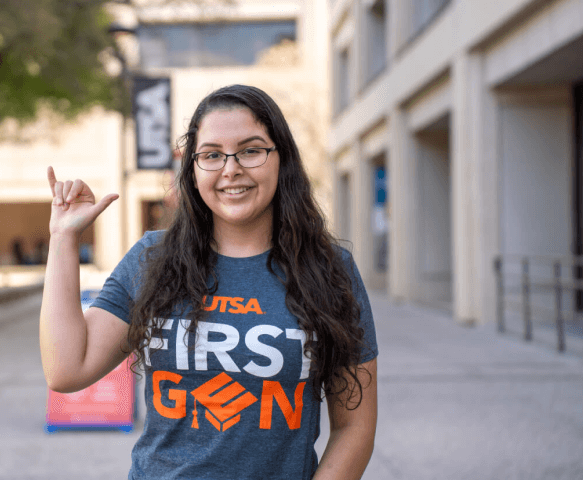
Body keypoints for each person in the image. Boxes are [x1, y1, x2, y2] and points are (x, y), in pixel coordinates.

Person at [40, 85, 378, 479]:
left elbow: (355, 427)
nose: (231, 169)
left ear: (280, 158)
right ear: (194, 169)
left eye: (251, 150)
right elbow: (67, 369)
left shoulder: (329, 270)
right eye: (212, 155)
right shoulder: (153, 260)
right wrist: (63, 238)